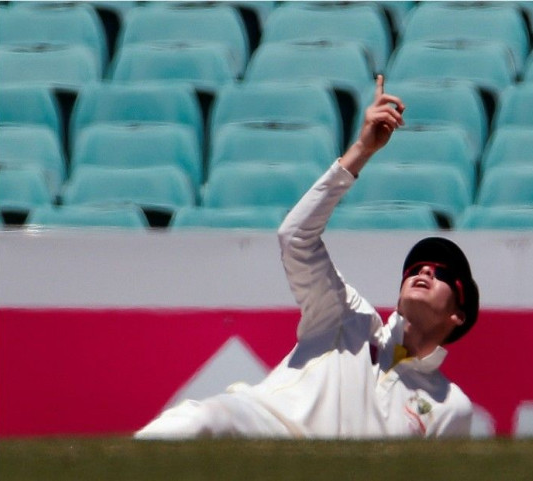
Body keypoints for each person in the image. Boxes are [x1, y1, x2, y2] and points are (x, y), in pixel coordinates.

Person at [135, 75, 480, 439]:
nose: (424, 270)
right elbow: (295, 237)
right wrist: (360, 151)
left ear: (458, 314)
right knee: (198, 421)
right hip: (266, 431)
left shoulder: (450, 406)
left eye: (442, 273)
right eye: (415, 267)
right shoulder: (348, 315)